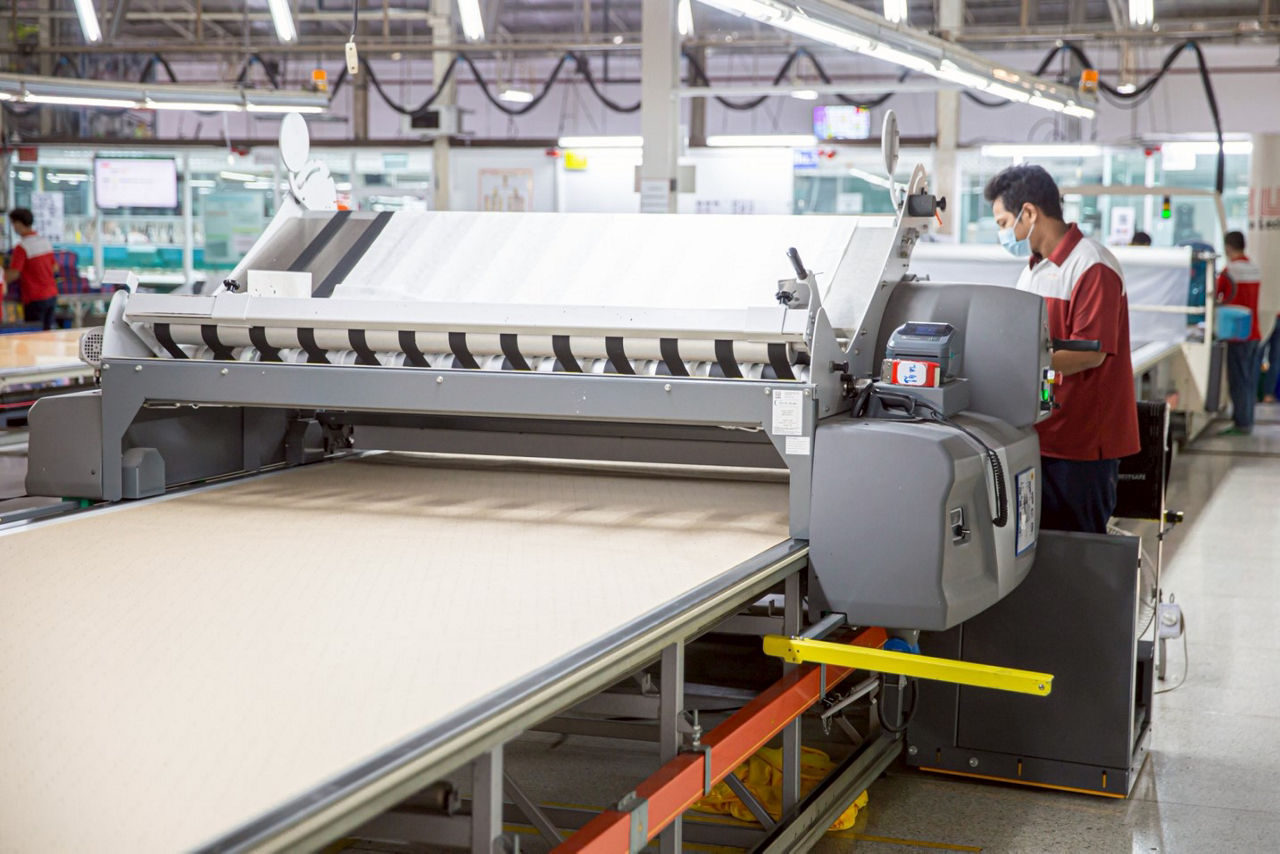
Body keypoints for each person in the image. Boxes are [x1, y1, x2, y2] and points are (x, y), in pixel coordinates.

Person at [984, 164, 1140, 534]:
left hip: (1081, 445)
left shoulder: (1092, 266)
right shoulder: (1034, 269)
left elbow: (1091, 352)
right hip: (1044, 435)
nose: (1003, 233)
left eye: (1004, 222)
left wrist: (1021, 365)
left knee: (1077, 553)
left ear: (1030, 213)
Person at [1215, 231, 1263, 434]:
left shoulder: (1230, 271)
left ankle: (1242, 424)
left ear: (1227, 247)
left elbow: (1216, 297)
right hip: (1254, 331)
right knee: (1249, 380)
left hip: (1236, 333)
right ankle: (1247, 420)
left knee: (1238, 380)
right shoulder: (1254, 268)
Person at [4, 208, 59, 330]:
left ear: (18, 223)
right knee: (47, 334)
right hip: (51, 295)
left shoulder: (22, 247)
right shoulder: (45, 242)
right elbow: (55, 268)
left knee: (34, 336)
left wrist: (2, 279)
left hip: (35, 298)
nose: (13, 227)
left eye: (13, 223)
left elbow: (14, 274)